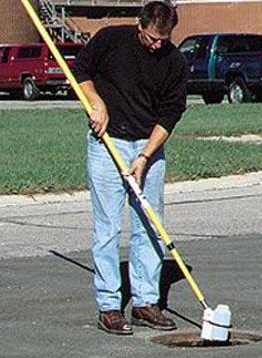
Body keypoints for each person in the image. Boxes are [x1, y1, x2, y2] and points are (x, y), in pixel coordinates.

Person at [73, 1, 188, 336]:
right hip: (107, 144)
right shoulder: (111, 40)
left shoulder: (174, 62)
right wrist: (97, 104)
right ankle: (109, 305)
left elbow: (170, 114)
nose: (156, 45)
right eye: (151, 38)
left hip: (147, 147)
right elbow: (81, 71)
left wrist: (145, 157)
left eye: (162, 40)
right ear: (140, 24)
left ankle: (145, 302)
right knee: (108, 228)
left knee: (150, 225)